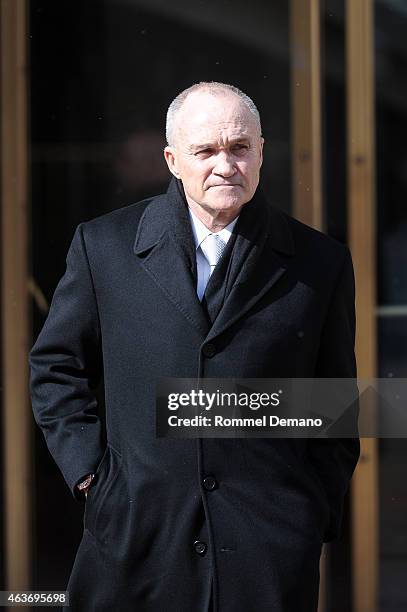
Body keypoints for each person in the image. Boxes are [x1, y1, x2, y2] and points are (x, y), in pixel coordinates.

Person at [29, 81, 360, 612]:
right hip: (135, 538)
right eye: (205, 151)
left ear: (260, 152)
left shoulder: (320, 262)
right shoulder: (104, 246)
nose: (225, 165)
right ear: (172, 160)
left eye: (239, 147)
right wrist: (92, 478)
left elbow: (335, 402)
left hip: (267, 551)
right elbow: (55, 369)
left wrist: (307, 510)